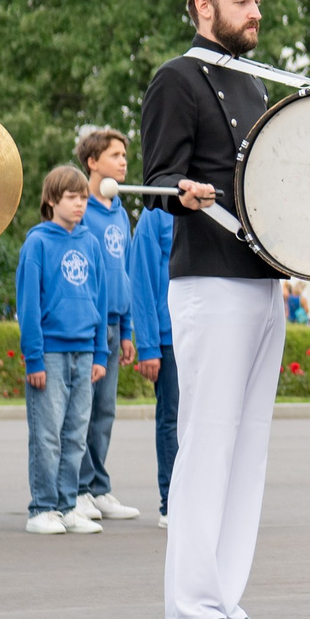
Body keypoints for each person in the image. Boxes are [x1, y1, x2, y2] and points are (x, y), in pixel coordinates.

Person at [140, 0, 292, 619]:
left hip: (259, 278)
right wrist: (182, 191)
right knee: (207, 440)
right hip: (208, 278)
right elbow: (159, 177)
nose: (255, 10)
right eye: (242, 0)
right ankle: (192, 603)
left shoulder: (252, 84)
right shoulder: (178, 79)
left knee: (247, 444)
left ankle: (225, 594)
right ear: (204, 6)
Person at [17, 166, 111, 536]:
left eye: (84, 197)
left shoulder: (90, 243)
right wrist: (34, 357)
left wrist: (100, 353)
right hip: (51, 354)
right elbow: (27, 305)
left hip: (84, 352)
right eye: (71, 197)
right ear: (52, 200)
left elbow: (100, 301)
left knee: (75, 433)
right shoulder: (37, 243)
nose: (79, 204)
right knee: (47, 434)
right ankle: (42, 506)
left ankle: (68, 504)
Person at [72, 127, 143, 523]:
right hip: (90, 329)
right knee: (82, 410)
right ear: (92, 162)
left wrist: (128, 329)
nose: (122, 162)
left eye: (124, 156)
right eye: (115, 155)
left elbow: (126, 273)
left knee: (105, 411)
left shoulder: (120, 214)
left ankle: (98, 486)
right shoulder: (83, 213)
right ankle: (79, 488)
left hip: (116, 325)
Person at [129, 194, 179, 525]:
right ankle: (171, 503)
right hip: (168, 338)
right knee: (172, 420)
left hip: (202, 334)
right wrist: (147, 346)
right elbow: (141, 280)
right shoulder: (156, 214)